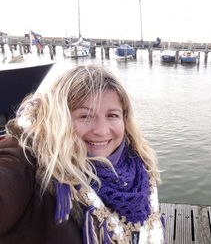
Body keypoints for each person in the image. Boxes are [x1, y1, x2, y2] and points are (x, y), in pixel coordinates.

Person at [0, 65, 164, 244]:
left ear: (125, 119)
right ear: (59, 119)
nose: (102, 131)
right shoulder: (27, 160)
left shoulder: (138, 163)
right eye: (85, 116)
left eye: (112, 115)